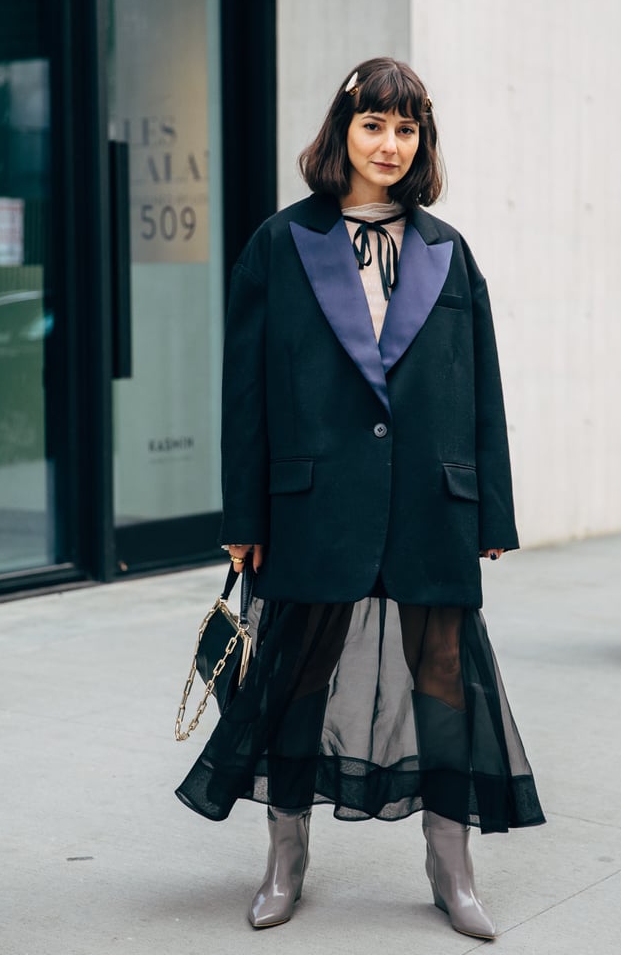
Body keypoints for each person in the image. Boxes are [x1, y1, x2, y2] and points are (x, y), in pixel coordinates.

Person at [176, 57, 545, 939]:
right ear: (342, 130)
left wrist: (490, 508)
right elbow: (246, 393)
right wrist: (242, 521)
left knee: (445, 683)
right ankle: (285, 858)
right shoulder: (280, 242)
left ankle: (450, 868)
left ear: (421, 141)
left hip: (431, 504)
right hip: (312, 504)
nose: (389, 144)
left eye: (406, 128)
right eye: (374, 124)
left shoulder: (446, 250)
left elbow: (479, 387)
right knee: (295, 678)